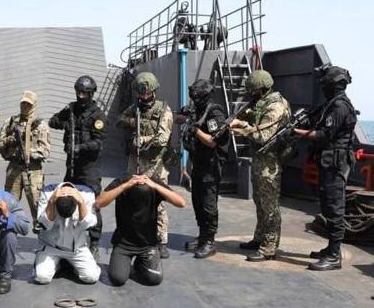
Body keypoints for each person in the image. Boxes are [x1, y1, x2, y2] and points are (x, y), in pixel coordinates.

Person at [294, 65, 358, 271]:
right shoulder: (330, 104)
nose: (323, 88)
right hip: (328, 163)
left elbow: (323, 135)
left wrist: (297, 132)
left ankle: (334, 256)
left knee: (335, 208)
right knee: (328, 206)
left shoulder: (339, 107)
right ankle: (331, 248)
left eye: (326, 84)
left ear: (335, 85)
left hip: (335, 164)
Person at [230, 70, 291, 262]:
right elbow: (257, 119)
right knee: (260, 202)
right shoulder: (262, 103)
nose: (250, 94)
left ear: (262, 89)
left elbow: (263, 135)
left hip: (270, 164)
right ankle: (260, 238)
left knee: (269, 206)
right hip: (260, 161)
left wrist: (241, 127)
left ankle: (269, 247)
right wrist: (246, 115)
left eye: (253, 91)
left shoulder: (276, 106)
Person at [49, 75, 106, 259]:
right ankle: (68, 238)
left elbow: (98, 143)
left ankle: (94, 243)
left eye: (84, 93)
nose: (80, 96)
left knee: (93, 204)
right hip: (72, 165)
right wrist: (66, 123)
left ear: (91, 93)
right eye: (78, 92)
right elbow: (53, 121)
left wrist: (80, 147)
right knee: (66, 199)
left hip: (89, 167)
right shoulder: (71, 109)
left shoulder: (98, 115)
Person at [117, 71, 173, 259]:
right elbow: (118, 120)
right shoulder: (134, 108)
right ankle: (136, 236)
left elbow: (163, 138)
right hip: (135, 161)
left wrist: (143, 138)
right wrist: (132, 122)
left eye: (147, 93)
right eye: (141, 93)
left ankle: (161, 241)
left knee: (157, 203)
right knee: (132, 198)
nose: (144, 96)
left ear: (154, 91)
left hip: (155, 163)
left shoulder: (163, 110)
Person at [95, 174, 186, 286]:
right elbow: (99, 203)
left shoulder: (154, 183)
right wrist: (125, 186)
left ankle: (140, 264)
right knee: (118, 279)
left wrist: (155, 186)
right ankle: (126, 263)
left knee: (154, 278)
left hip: (147, 245)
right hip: (123, 245)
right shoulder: (122, 181)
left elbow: (181, 202)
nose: (139, 180)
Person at [180, 79, 229, 258]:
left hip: (211, 165)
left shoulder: (215, 112)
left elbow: (211, 141)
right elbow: (181, 118)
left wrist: (195, 130)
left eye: (196, 96)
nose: (194, 99)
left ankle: (209, 241)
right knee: (197, 201)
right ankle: (202, 236)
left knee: (208, 204)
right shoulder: (197, 110)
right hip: (198, 163)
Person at [0, 90, 51, 232]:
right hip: (14, 168)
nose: (25, 106)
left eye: (28, 104)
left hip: (33, 170)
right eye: (23, 103)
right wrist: (8, 141)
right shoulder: (11, 122)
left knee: (37, 206)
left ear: (34, 105)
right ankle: (8, 232)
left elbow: (45, 151)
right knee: (8, 203)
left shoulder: (40, 125)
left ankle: (41, 234)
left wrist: (29, 153)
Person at [33, 182, 100, 285]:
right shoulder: (47, 193)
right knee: (42, 277)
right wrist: (51, 201)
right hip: (51, 247)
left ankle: (71, 266)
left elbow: (88, 226)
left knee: (92, 277)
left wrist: (81, 203)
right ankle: (57, 265)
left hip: (77, 248)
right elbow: (45, 225)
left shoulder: (87, 194)